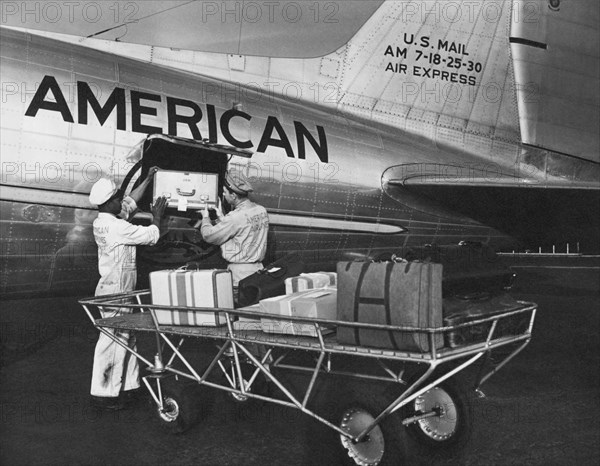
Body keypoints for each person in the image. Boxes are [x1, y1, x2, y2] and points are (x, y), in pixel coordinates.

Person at [88, 167, 167, 410]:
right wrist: (157, 216)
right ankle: (104, 393)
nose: (121, 202)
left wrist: (149, 178)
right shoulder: (117, 227)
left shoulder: (105, 219)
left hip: (116, 288)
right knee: (114, 339)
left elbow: (131, 202)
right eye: (117, 200)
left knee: (128, 335)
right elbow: (154, 235)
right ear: (109, 202)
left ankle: (129, 385)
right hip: (117, 291)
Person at [200, 168, 269, 296]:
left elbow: (209, 235)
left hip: (240, 277)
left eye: (225, 192)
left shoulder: (235, 218)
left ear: (233, 195)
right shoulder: (261, 211)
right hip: (258, 271)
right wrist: (222, 216)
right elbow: (242, 229)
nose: (223, 195)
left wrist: (205, 217)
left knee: (240, 310)